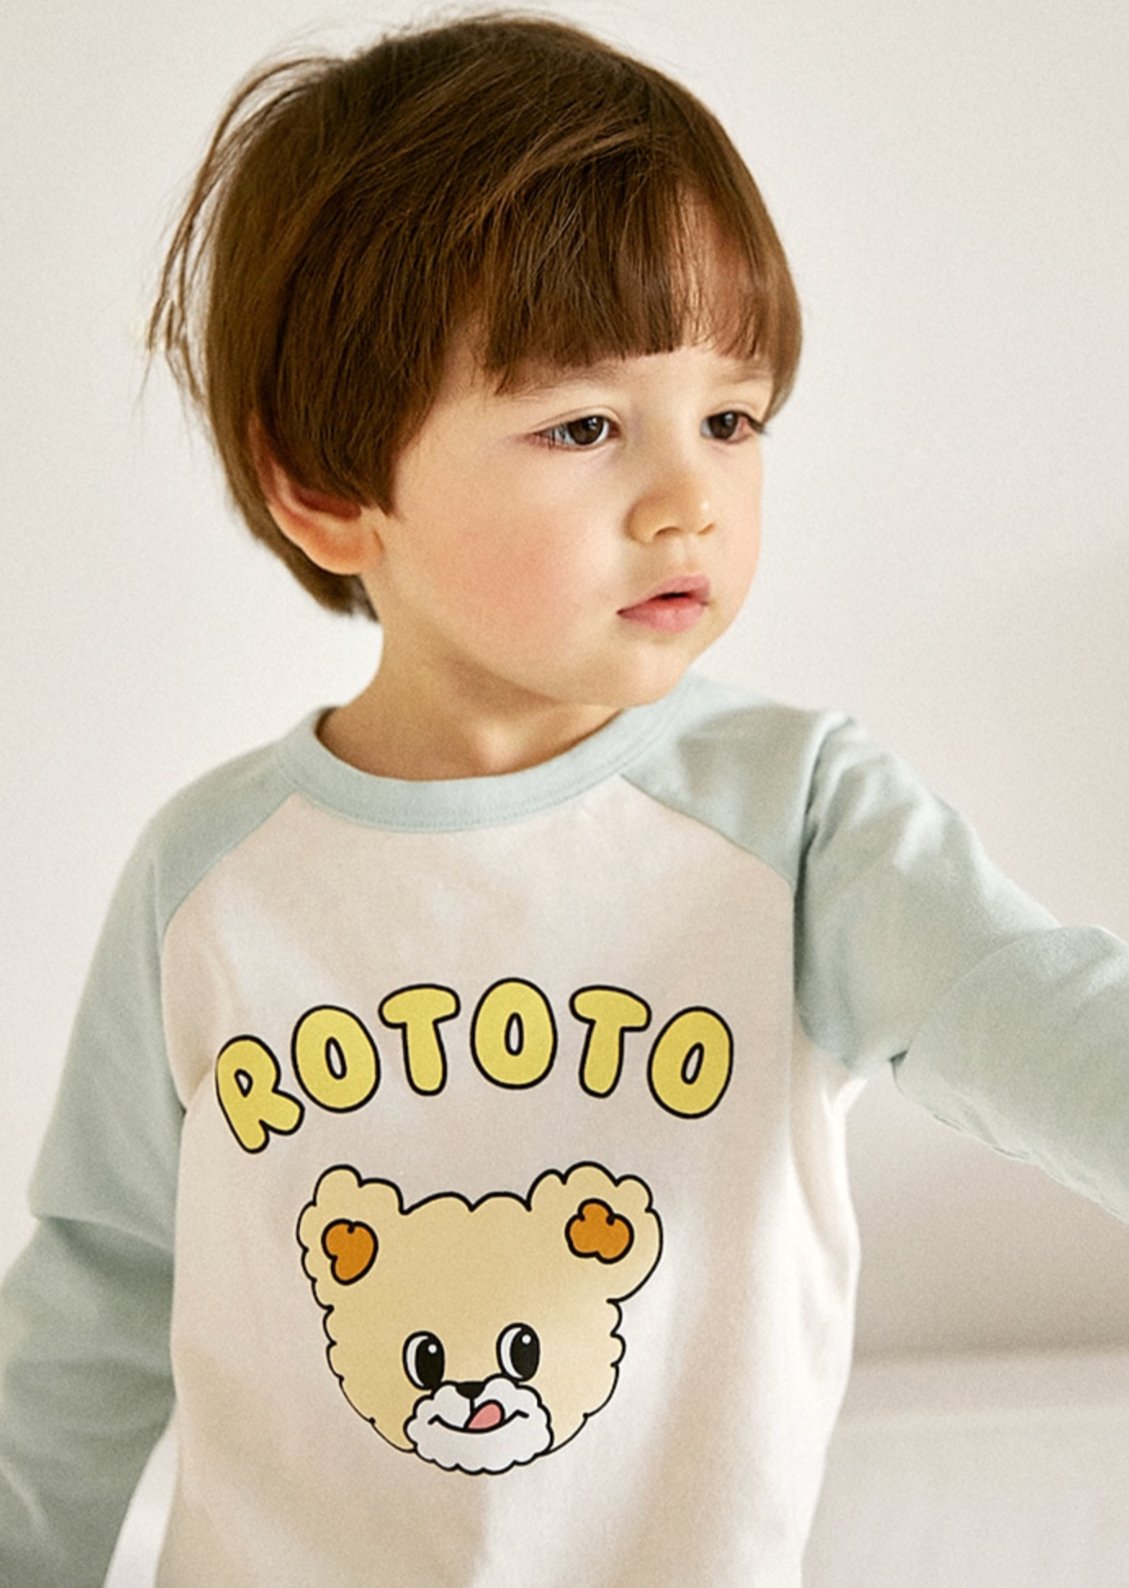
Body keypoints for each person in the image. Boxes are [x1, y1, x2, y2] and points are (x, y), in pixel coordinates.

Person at [1, 12, 1126, 1586]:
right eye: (584, 425)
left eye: (728, 418)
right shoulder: (216, 876)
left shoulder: (797, 819)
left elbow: (1034, 1013)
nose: (690, 498)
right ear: (326, 485)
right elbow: (98, 1296)